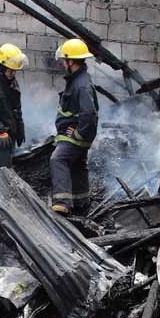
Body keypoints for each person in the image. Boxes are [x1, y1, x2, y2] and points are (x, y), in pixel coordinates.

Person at [50, 38, 99, 215]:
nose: (63, 63)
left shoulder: (81, 85)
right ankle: (81, 203)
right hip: (77, 135)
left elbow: (89, 113)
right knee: (78, 164)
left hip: (74, 136)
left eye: (64, 60)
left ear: (71, 61)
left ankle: (61, 203)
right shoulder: (78, 79)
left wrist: (79, 134)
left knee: (58, 159)